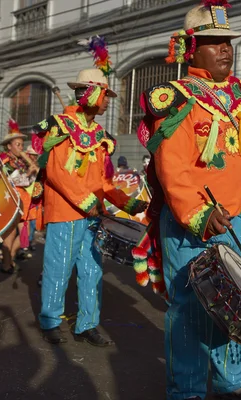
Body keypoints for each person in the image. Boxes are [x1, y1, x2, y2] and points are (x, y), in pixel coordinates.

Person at [138, 2, 241, 399]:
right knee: (188, 307)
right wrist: (199, 212)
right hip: (191, 222)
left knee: (239, 304)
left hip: (233, 221)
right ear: (191, 49)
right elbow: (171, 166)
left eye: (227, 42)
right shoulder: (176, 97)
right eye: (213, 42)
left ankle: (233, 385)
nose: (225, 49)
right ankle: (185, 390)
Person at [33, 63, 148, 345]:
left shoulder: (99, 136)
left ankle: (87, 323)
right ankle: (50, 321)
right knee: (59, 267)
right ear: (91, 94)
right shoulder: (60, 126)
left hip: (93, 214)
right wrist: (86, 202)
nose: (109, 101)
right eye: (106, 95)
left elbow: (104, 182)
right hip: (66, 212)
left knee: (92, 270)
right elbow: (57, 172)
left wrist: (127, 202)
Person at [0, 119, 39, 272]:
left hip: (24, 200)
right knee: (9, 234)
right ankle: (6, 263)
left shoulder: (22, 161)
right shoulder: (5, 160)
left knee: (26, 233)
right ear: (9, 146)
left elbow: (28, 182)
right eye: (17, 144)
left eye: (22, 144)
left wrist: (32, 171)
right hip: (11, 199)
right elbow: (13, 180)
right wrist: (29, 173)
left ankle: (11, 256)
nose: (21, 147)